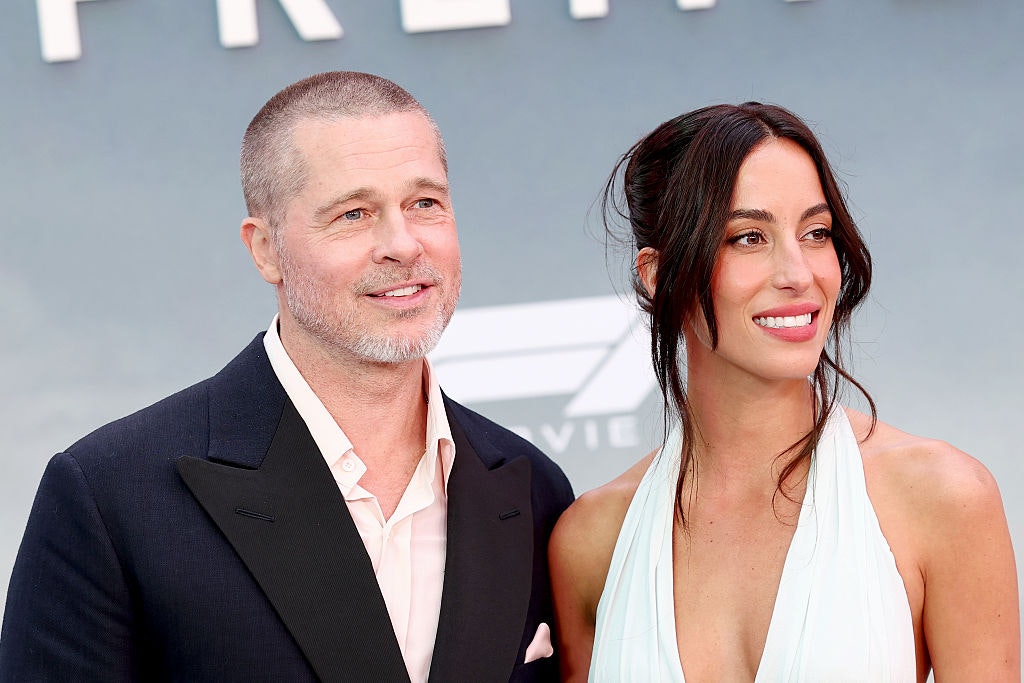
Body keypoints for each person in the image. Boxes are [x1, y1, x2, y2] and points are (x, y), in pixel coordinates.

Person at [0, 71, 574, 682]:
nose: (402, 245)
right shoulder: (110, 495)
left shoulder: (532, 489)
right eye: (353, 213)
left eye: (424, 203)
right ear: (266, 249)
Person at [549, 103, 1019, 681]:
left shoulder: (942, 497)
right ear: (657, 275)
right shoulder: (592, 539)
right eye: (749, 237)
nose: (799, 272)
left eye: (816, 233)